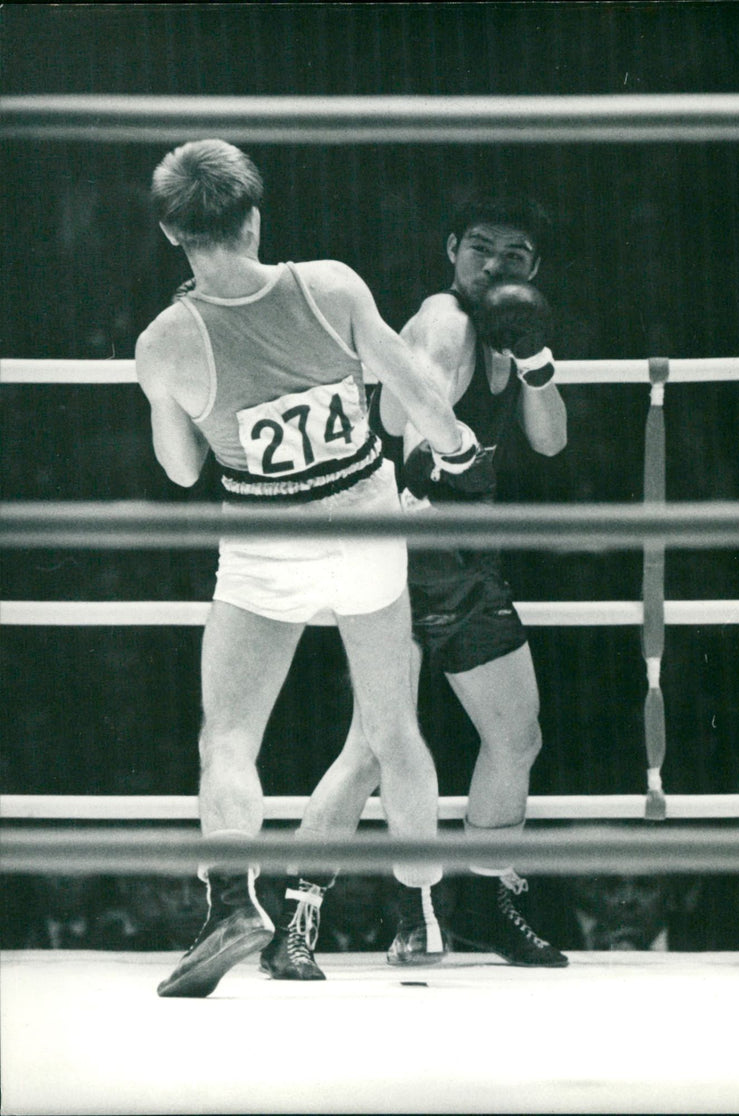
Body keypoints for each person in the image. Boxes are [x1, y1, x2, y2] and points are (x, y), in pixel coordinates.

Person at [135, 140, 492, 996]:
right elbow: (421, 398)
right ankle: (421, 908)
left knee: (227, 735)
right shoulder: (330, 286)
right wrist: (458, 450)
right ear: (254, 218)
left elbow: (182, 471)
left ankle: (231, 899)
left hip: (264, 545)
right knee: (390, 726)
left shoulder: (166, 342)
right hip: (366, 527)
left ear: (170, 232)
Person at [292, 196, 570, 968]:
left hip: (460, 556)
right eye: (481, 248)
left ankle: (480, 900)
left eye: (515, 255)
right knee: (377, 745)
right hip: (419, 543)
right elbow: (421, 406)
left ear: (533, 269)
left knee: (514, 734)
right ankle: (299, 913)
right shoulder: (444, 319)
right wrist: (436, 456)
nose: (495, 266)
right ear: (451, 250)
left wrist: (536, 359)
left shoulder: (507, 328)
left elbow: (550, 440)